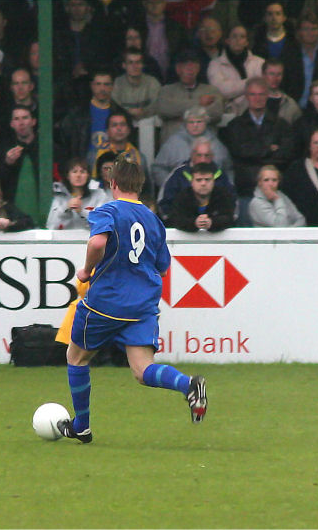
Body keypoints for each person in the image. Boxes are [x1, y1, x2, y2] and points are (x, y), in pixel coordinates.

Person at [57, 154, 208, 444]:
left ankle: (82, 426)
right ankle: (188, 385)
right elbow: (163, 267)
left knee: (76, 358)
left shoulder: (107, 211)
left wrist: (86, 271)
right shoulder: (154, 221)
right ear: (139, 186)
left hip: (107, 301)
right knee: (142, 370)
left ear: (112, 183)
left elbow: (98, 241)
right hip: (143, 305)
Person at [220, 77, 294, 223]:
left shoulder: (281, 125)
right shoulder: (235, 126)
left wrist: (254, 152)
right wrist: (269, 149)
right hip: (246, 190)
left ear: (267, 96)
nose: (257, 98)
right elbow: (239, 151)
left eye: (261, 94)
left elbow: (285, 154)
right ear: (246, 97)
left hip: (277, 192)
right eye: (253, 94)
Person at [151, 106, 233, 191]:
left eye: (199, 122)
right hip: (179, 193)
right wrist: (170, 185)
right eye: (191, 122)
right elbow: (158, 168)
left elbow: (228, 169)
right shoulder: (172, 143)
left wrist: (227, 189)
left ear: (206, 123)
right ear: (185, 123)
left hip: (213, 193)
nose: (195, 125)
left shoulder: (217, 145)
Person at [157, 137, 235, 225]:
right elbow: (164, 205)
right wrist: (182, 223)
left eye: (207, 155)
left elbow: (232, 208)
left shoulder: (221, 175)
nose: (203, 159)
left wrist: (213, 222)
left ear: (213, 156)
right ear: (192, 155)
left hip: (218, 233)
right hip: (181, 233)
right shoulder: (177, 175)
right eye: (199, 155)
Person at [156, 48, 224, 144]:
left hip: (205, 147)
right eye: (185, 65)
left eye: (194, 65)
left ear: (199, 68)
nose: (190, 69)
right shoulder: (166, 90)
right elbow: (163, 109)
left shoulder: (211, 90)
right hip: (175, 146)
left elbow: (217, 113)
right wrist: (199, 103)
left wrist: (181, 116)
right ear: (178, 69)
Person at [207, 24, 265, 115]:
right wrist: (251, 82)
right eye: (234, 36)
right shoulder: (215, 64)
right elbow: (221, 91)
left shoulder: (260, 63)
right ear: (227, 40)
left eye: (242, 37)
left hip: (254, 114)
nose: (238, 40)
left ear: (247, 42)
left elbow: (262, 90)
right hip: (227, 115)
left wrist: (234, 90)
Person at [0, 106, 39, 219]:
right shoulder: (2, 150)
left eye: (25, 118)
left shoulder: (47, 147)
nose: (21, 122)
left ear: (33, 121)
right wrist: (7, 163)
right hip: (13, 211)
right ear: (11, 124)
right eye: (16, 119)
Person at [169, 161, 235, 233]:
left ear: (213, 181)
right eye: (199, 180)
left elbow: (229, 219)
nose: (203, 184)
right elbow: (176, 220)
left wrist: (212, 222)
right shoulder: (182, 197)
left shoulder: (223, 195)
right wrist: (194, 223)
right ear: (192, 182)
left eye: (207, 179)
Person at [46, 157, 109, 230]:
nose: (78, 175)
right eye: (74, 172)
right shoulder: (60, 197)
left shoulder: (99, 195)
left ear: (88, 175)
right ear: (68, 176)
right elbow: (51, 226)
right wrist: (66, 209)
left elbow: (103, 224)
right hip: (65, 239)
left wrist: (81, 211)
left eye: (82, 172)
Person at [112, 47, 161, 121]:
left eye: (138, 62)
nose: (134, 66)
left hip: (148, 122)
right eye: (130, 62)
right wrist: (128, 112)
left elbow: (158, 106)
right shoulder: (116, 84)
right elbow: (114, 107)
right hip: (123, 123)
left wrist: (143, 112)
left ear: (143, 65)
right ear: (124, 65)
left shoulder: (153, 83)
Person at [262, 58, 301, 125]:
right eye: (271, 74)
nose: (275, 78)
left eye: (279, 74)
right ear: (263, 75)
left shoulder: (291, 105)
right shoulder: (252, 100)